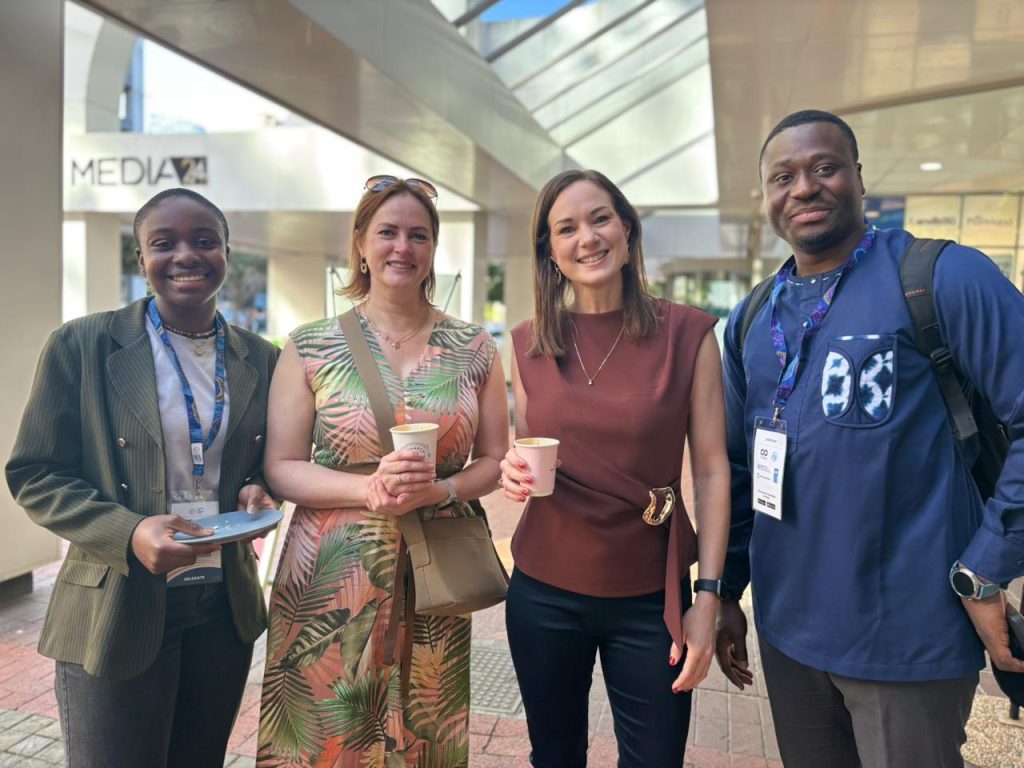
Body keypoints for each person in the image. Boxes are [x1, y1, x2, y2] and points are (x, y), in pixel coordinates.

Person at [716, 109, 1024, 768]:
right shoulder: (752, 318)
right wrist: (721, 593)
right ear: (766, 196)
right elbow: (741, 473)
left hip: (906, 639)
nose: (803, 187)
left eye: (824, 167)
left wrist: (986, 569)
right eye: (783, 176)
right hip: (789, 638)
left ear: (857, 176)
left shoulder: (941, 279)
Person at [5, 188, 279, 768]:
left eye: (205, 241)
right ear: (140, 259)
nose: (187, 255)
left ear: (227, 253)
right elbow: (35, 472)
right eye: (164, 243)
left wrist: (260, 486)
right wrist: (127, 532)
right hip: (116, 604)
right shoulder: (82, 345)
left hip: (219, 607)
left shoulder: (260, 357)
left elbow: (262, 459)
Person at [257, 175, 508, 766]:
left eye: (418, 235)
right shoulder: (311, 344)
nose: (403, 247)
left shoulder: (474, 347)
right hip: (329, 571)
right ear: (361, 244)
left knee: (423, 727)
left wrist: (443, 487)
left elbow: (495, 460)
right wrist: (367, 489)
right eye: (388, 232)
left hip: (435, 571)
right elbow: (282, 466)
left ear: (433, 249)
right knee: (326, 731)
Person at [498, 169, 731, 767]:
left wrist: (708, 594)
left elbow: (710, 471)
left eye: (600, 218)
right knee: (554, 755)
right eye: (566, 228)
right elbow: (529, 448)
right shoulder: (526, 343)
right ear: (550, 251)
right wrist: (511, 470)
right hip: (544, 590)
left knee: (656, 758)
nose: (587, 238)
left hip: (652, 596)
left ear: (627, 231)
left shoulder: (690, 333)